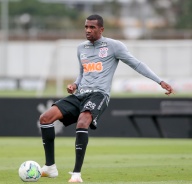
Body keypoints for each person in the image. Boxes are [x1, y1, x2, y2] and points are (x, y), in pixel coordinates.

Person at [39, 14, 174, 183]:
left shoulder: (114, 46)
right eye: (86, 27)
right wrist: (74, 84)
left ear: (101, 29)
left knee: (82, 122)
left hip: (99, 94)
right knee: (45, 118)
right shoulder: (81, 48)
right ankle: (50, 167)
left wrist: (159, 81)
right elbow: (83, 73)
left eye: (92, 27)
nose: (88, 30)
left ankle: (76, 174)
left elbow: (137, 64)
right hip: (80, 94)